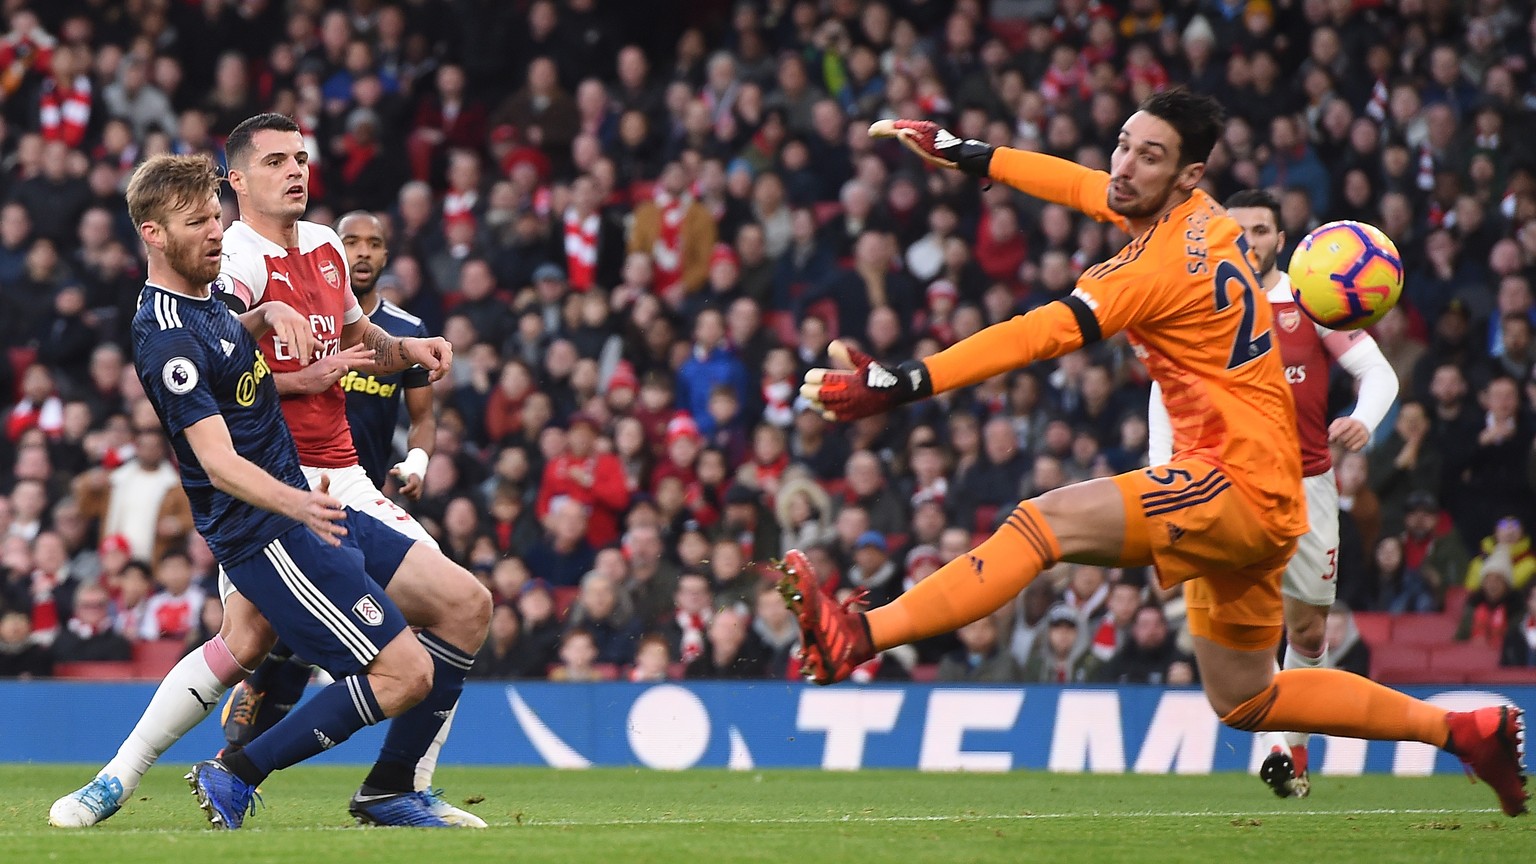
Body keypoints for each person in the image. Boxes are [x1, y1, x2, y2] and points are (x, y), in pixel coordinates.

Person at [785, 90, 1526, 817]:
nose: (1125, 165)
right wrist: (971, 154)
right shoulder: (1201, 220)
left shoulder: (1153, 269)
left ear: (1189, 174)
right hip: (1264, 493)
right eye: (1124, 144)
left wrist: (908, 380)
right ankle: (1464, 731)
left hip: (1231, 482)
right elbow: (1082, 185)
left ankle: (859, 636)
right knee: (1247, 699)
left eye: (1150, 155)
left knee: (1041, 525)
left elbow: (1036, 333)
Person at [52, 146, 487, 831]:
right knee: (401, 673)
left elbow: (234, 343)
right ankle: (228, 771)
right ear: (154, 236)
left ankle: (372, 785)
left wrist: (266, 317)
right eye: (197, 223)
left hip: (308, 503)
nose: (215, 233)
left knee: (465, 602)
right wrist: (300, 504)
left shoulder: (204, 299)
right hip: (269, 525)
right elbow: (218, 463)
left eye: (214, 219)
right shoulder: (165, 338)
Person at [217, 206, 473, 823]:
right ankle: (140, 773)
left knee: (463, 605)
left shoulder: (373, 315)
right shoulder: (250, 270)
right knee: (253, 640)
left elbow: (424, 419)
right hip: (281, 487)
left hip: (356, 483)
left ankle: (399, 783)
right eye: (351, 240)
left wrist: (415, 456)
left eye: (373, 244)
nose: (359, 252)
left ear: (386, 256)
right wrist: (305, 374)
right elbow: (217, 366)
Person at [1149, 189, 1398, 799]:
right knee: (1251, 625)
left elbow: (1379, 374)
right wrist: (1163, 470)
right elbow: (1164, 392)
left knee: (1309, 632)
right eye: (1238, 230)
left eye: (1261, 230)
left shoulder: (1312, 301)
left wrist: (1364, 418)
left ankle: (1296, 745)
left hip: (1307, 482)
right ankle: (1276, 749)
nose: (1249, 240)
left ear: (1281, 241)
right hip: (1225, 483)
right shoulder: (1204, 303)